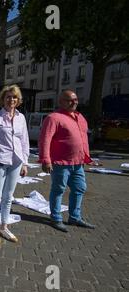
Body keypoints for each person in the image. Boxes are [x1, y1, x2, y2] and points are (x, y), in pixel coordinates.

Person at [38, 90, 95, 232]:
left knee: (80, 188)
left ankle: (75, 217)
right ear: (61, 101)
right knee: (58, 190)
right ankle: (56, 218)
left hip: (78, 163)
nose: (74, 102)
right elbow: (45, 140)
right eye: (70, 100)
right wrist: (46, 160)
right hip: (60, 163)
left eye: (75, 99)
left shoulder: (80, 117)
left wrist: (87, 156)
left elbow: (83, 139)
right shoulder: (53, 118)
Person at [0, 85, 29, 244]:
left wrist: (25, 162)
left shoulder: (21, 117)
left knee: (8, 196)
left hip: (17, 161)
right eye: (8, 97)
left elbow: (24, 140)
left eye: (14, 97)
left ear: (18, 100)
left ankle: (4, 226)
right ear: (3, 99)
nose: (11, 100)